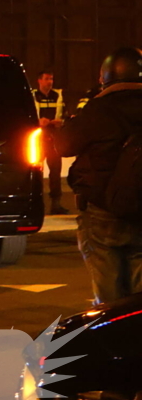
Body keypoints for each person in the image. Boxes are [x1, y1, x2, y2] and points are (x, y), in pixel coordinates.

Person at [57, 47, 142, 304]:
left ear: (105, 76)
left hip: (101, 211)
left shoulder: (98, 109)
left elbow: (63, 146)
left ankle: (114, 338)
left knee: (108, 299)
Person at [33, 70, 68, 214]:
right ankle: (35, 203)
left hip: (54, 136)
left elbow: (66, 114)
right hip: (37, 137)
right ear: (39, 81)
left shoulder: (57, 95)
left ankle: (56, 204)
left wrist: (61, 121)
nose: (50, 82)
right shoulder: (33, 95)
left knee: (55, 171)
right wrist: (37, 122)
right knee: (35, 171)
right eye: (47, 79)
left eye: (51, 79)